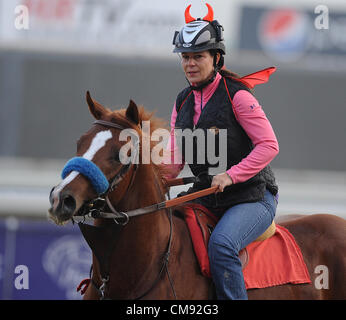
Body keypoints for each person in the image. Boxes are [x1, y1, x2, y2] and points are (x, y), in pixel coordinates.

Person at [162, 3, 279, 300]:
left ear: (216, 57)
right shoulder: (181, 100)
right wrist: (155, 177)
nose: (190, 63)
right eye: (185, 57)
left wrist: (231, 174)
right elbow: (175, 160)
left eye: (197, 56)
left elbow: (269, 145)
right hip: (208, 196)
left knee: (222, 245)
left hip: (253, 197)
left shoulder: (237, 94)